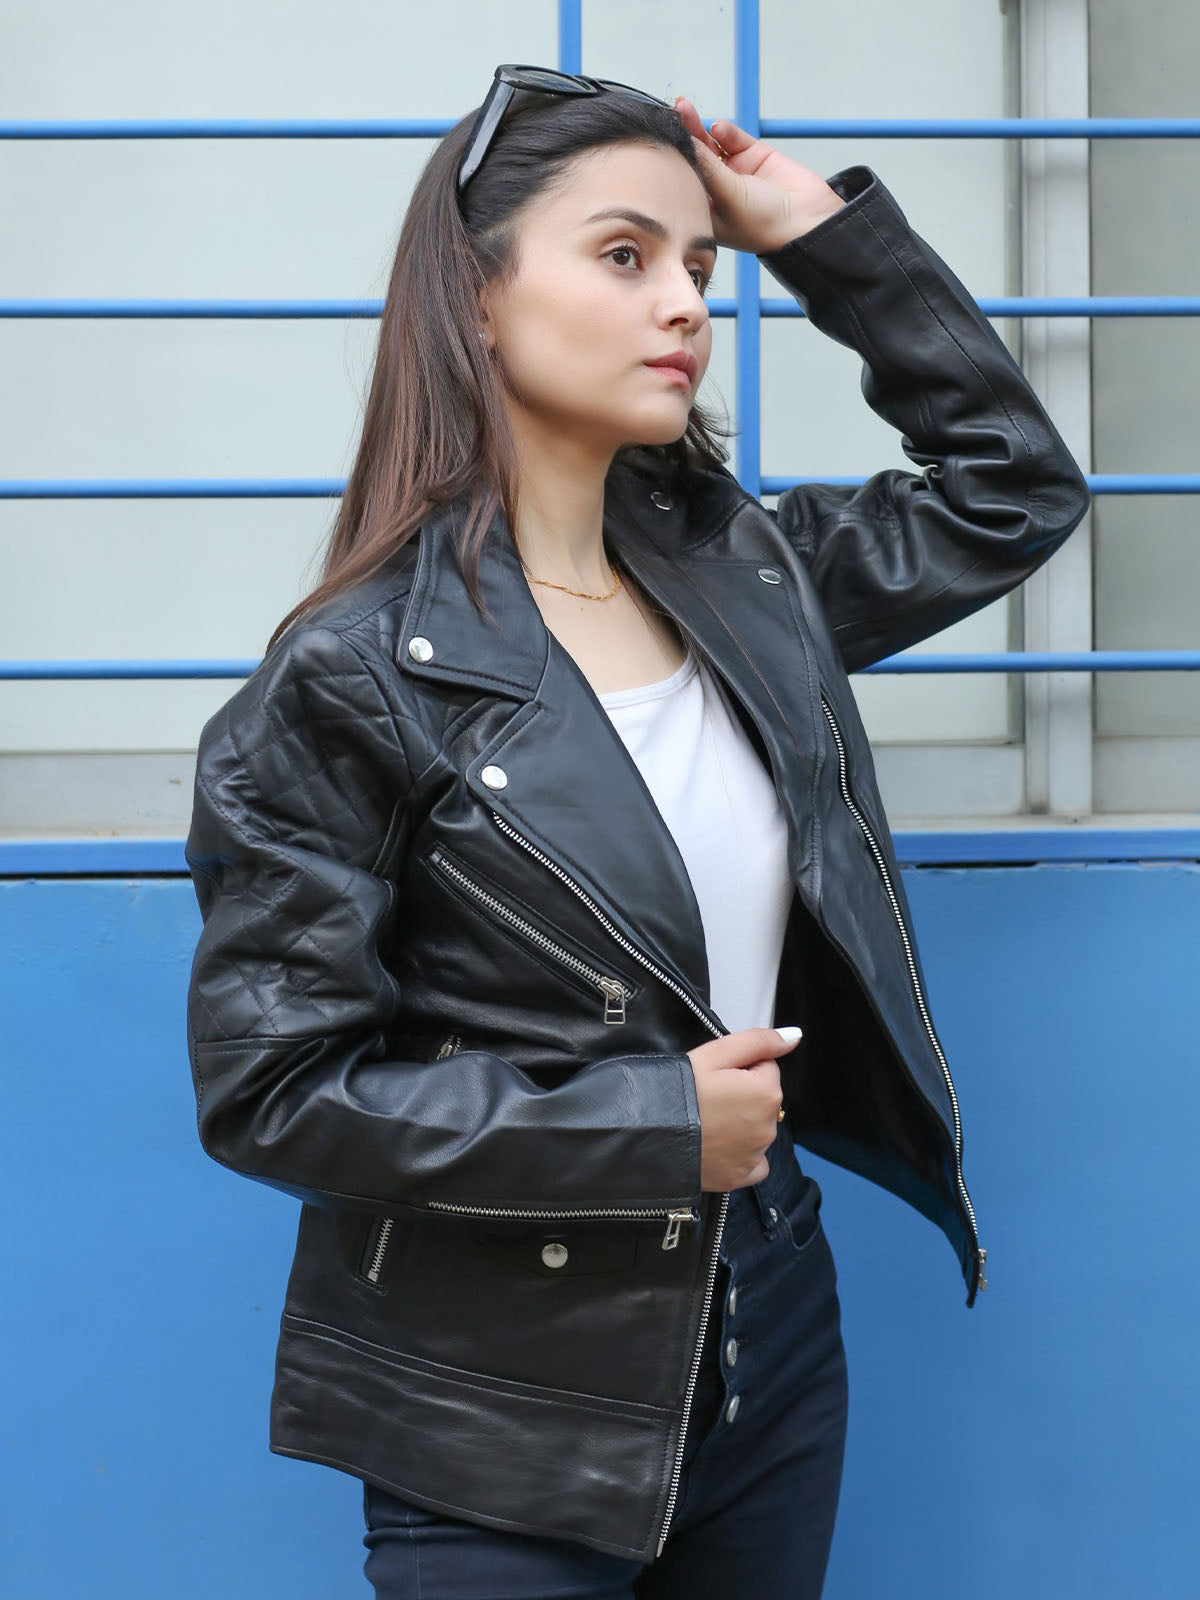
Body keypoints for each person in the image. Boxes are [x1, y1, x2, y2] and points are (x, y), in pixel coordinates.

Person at [183, 63, 1090, 1599]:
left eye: (699, 264)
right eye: (623, 254)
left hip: (770, 1321)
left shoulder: (745, 577)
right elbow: (274, 1093)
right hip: (500, 1401)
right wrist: (656, 1128)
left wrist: (822, 237)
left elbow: (1013, 489)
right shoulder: (350, 680)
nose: (683, 302)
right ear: (477, 297)